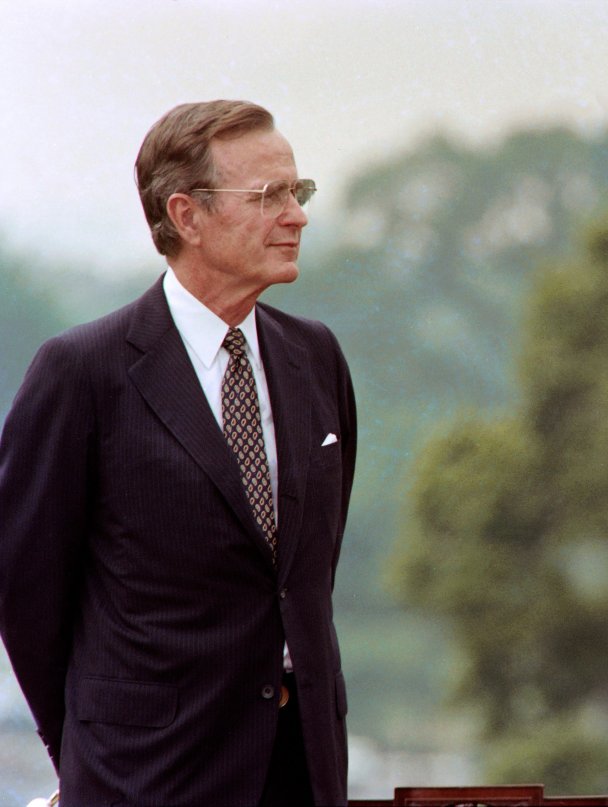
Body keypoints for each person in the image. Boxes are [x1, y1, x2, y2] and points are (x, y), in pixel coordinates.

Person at [0, 100, 356, 805]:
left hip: (304, 772)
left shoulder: (316, 357)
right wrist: (92, 750)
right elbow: (25, 593)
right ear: (187, 215)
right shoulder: (83, 372)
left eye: (299, 191)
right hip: (146, 775)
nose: (298, 215)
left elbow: (303, 575)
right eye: (269, 196)